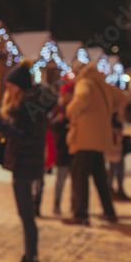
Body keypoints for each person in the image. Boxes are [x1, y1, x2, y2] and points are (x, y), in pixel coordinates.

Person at [0, 59, 54, 262]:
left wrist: (2, 125)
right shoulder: (26, 106)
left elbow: (27, 138)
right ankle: (29, 254)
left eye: (10, 86)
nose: (8, 89)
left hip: (27, 166)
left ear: (20, 87)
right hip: (24, 165)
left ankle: (31, 256)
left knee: (27, 215)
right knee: (25, 214)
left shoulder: (30, 108)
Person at [62, 61, 129, 225]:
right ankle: (109, 212)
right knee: (100, 177)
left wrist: (70, 110)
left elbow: (82, 97)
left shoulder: (84, 81)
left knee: (80, 176)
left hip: (85, 137)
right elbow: (123, 98)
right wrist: (105, 111)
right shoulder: (101, 83)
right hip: (100, 137)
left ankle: (80, 214)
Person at [49, 81, 75, 215]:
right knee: (60, 180)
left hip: (74, 150)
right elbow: (51, 124)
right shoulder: (57, 108)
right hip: (61, 149)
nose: (66, 97)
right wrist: (58, 120)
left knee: (75, 182)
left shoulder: (75, 108)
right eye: (65, 94)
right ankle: (56, 204)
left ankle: (74, 205)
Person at [105, 110, 131, 201]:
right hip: (113, 153)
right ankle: (109, 191)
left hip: (119, 152)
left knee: (120, 170)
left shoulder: (118, 125)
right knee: (112, 171)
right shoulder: (111, 126)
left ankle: (120, 190)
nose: (123, 117)